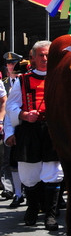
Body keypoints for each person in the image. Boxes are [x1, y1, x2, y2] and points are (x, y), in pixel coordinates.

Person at [4, 41, 63, 231]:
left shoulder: (60, 78)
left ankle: (51, 215)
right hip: (29, 130)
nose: (45, 59)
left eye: (48, 55)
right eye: (41, 55)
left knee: (53, 172)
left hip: (53, 130)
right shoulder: (23, 80)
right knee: (29, 174)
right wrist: (23, 116)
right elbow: (11, 106)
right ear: (34, 58)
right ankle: (32, 208)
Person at [1, 52, 24, 206]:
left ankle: (27, 190)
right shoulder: (5, 82)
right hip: (11, 124)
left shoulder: (24, 80)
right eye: (9, 64)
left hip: (24, 122)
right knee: (11, 160)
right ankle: (16, 192)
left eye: (14, 63)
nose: (11, 66)